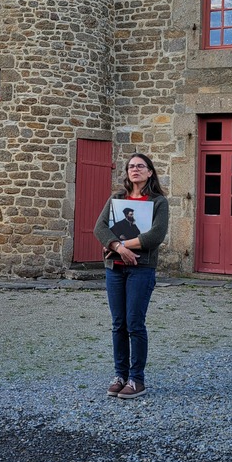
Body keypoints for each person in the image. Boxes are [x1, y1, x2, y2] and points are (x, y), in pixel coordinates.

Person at [93, 152, 169, 399]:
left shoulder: (158, 202)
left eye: (140, 166)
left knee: (135, 323)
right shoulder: (117, 198)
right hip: (114, 268)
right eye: (131, 166)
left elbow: (155, 236)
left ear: (149, 172)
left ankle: (137, 379)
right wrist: (118, 248)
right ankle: (120, 375)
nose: (135, 169)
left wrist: (126, 246)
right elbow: (99, 228)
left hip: (142, 269)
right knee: (118, 324)